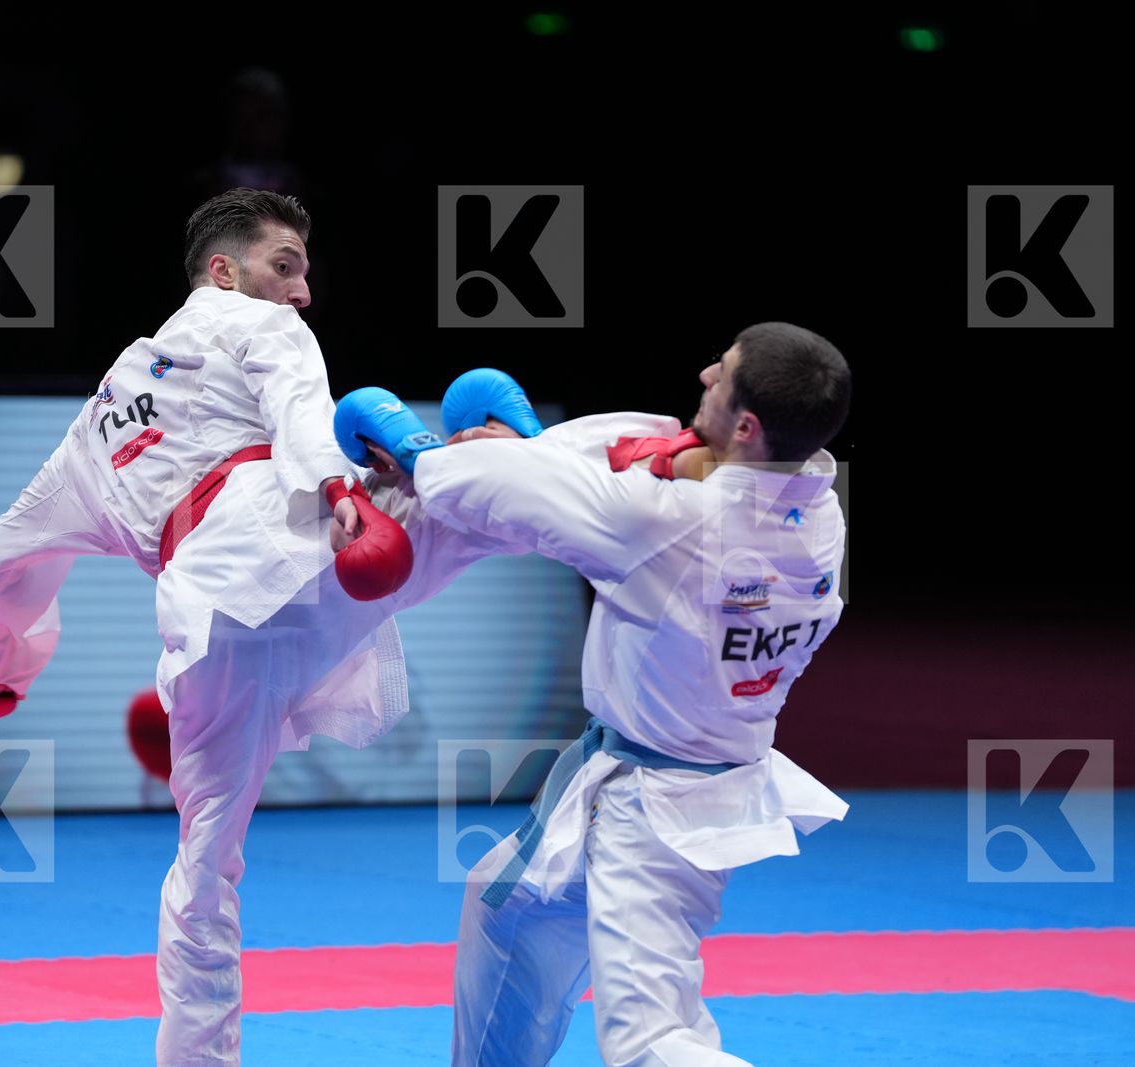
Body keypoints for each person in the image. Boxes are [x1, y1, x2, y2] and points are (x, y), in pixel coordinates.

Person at [0, 188, 540, 1066]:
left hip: (218, 624)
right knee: (475, 494)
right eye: (287, 265)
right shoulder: (255, 324)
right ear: (223, 272)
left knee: (204, 868)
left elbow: (10, 551)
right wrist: (343, 490)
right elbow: (303, 407)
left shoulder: (98, 419)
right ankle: (635, 459)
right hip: (303, 554)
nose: (303, 291)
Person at [339, 321, 853, 1067]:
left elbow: (489, 489)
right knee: (504, 908)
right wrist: (536, 449)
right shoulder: (816, 510)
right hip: (685, 776)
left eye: (724, 373)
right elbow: (647, 461)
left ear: (746, 425)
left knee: (649, 1043)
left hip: (657, 811)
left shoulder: (667, 522)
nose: (705, 372)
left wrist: (422, 452)